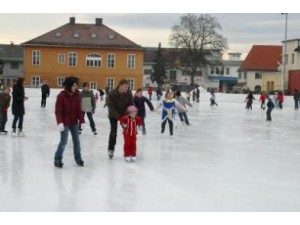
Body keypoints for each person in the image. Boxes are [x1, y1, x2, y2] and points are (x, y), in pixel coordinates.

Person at [54, 77, 85, 168]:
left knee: (77, 142)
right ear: (69, 86)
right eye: (74, 85)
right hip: (64, 123)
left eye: (76, 85)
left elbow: (79, 110)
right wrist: (60, 122)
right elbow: (58, 111)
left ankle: (78, 158)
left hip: (74, 122)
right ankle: (58, 159)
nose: (76, 87)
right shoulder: (61, 96)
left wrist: (82, 121)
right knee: (64, 141)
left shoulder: (76, 96)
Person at [105, 79, 133, 159]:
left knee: (128, 132)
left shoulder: (128, 93)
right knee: (113, 132)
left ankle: (129, 150)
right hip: (113, 116)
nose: (126, 89)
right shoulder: (111, 94)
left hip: (125, 115)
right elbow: (111, 108)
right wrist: (120, 118)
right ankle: (111, 149)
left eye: (127, 87)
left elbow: (131, 104)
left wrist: (128, 115)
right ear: (120, 86)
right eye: (125, 87)